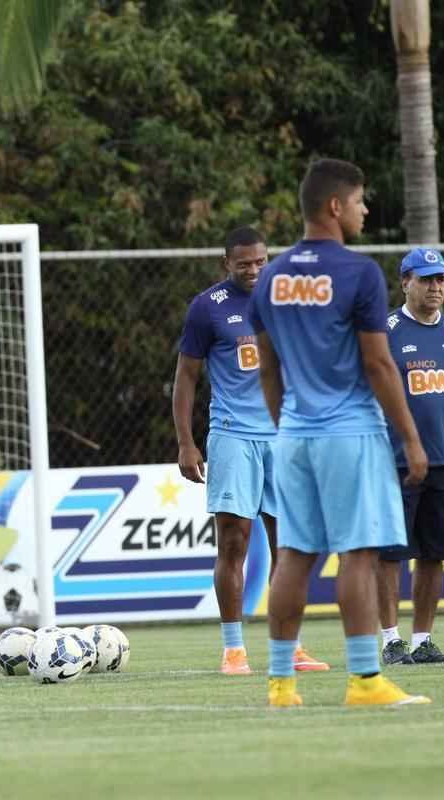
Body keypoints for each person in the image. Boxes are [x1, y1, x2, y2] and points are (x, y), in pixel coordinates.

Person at [250, 158, 431, 707]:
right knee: (357, 553)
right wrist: (411, 438)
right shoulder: (358, 273)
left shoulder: (271, 277)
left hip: (295, 434)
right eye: (358, 201)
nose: (364, 209)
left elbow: (268, 368)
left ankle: (281, 685)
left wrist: (287, 427)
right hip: (350, 433)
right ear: (335, 207)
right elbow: (378, 365)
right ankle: (364, 681)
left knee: (296, 555)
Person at [174, 226, 328, 676]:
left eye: (261, 261)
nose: (255, 269)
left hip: (284, 439)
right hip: (233, 435)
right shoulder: (207, 308)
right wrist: (186, 442)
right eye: (244, 263)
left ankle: (291, 648)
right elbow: (186, 376)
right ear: (227, 263)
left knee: (290, 545)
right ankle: (234, 650)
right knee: (234, 542)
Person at [377, 247, 444, 666]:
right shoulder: (386, 329)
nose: (436, 286)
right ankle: (391, 640)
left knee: (436, 553)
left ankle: (422, 639)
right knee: (391, 553)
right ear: (405, 281)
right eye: (427, 278)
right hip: (396, 461)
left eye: (441, 279)